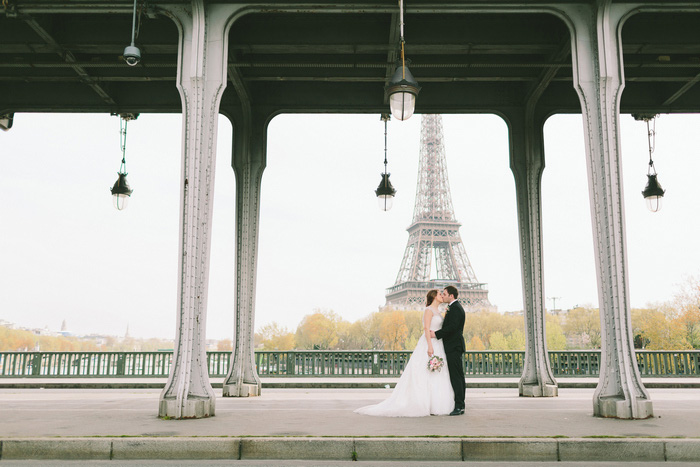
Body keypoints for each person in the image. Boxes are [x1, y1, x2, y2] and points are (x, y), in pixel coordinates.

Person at [354, 290, 454, 417]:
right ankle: (426, 404)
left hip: (438, 344)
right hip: (430, 344)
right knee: (425, 373)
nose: (442, 295)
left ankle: (435, 405)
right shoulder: (428, 310)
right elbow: (426, 329)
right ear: (434, 296)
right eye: (440, 293)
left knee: (437, 374)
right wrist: (429, 346)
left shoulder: (439, 311)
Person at [430, 286, 466, 415]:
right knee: (458, 377)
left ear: (451, 296)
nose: (443, 296)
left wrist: (436, 334)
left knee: (456, 377)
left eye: (444, 294)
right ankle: (460, 405)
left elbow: (452, 327)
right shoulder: (454, 307)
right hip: (453, 346)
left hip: (454, 347)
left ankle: (459, 406)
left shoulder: (456, 309)